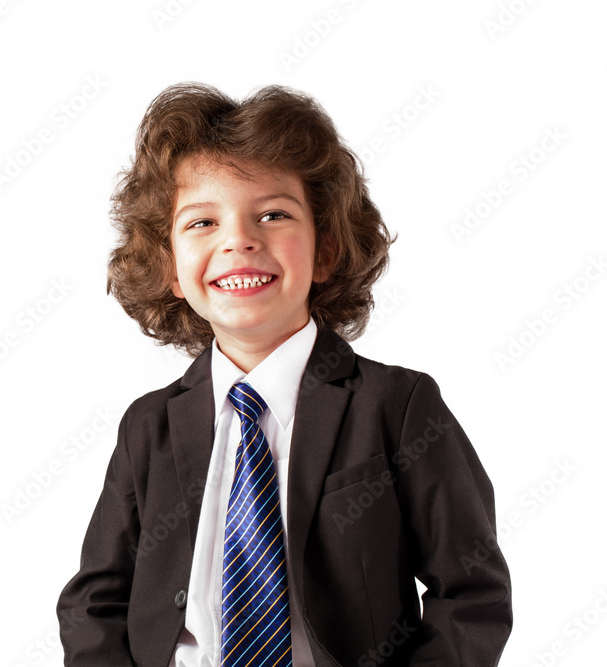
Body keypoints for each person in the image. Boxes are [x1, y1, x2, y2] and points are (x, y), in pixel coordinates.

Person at [57, 82, 511, 666]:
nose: (239, 240)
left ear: (326, 250)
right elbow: (94, 603)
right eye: (202, 223)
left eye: (273, 214)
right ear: (170, 269)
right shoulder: (149, 426)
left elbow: (472, 593)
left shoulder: (396, 406)